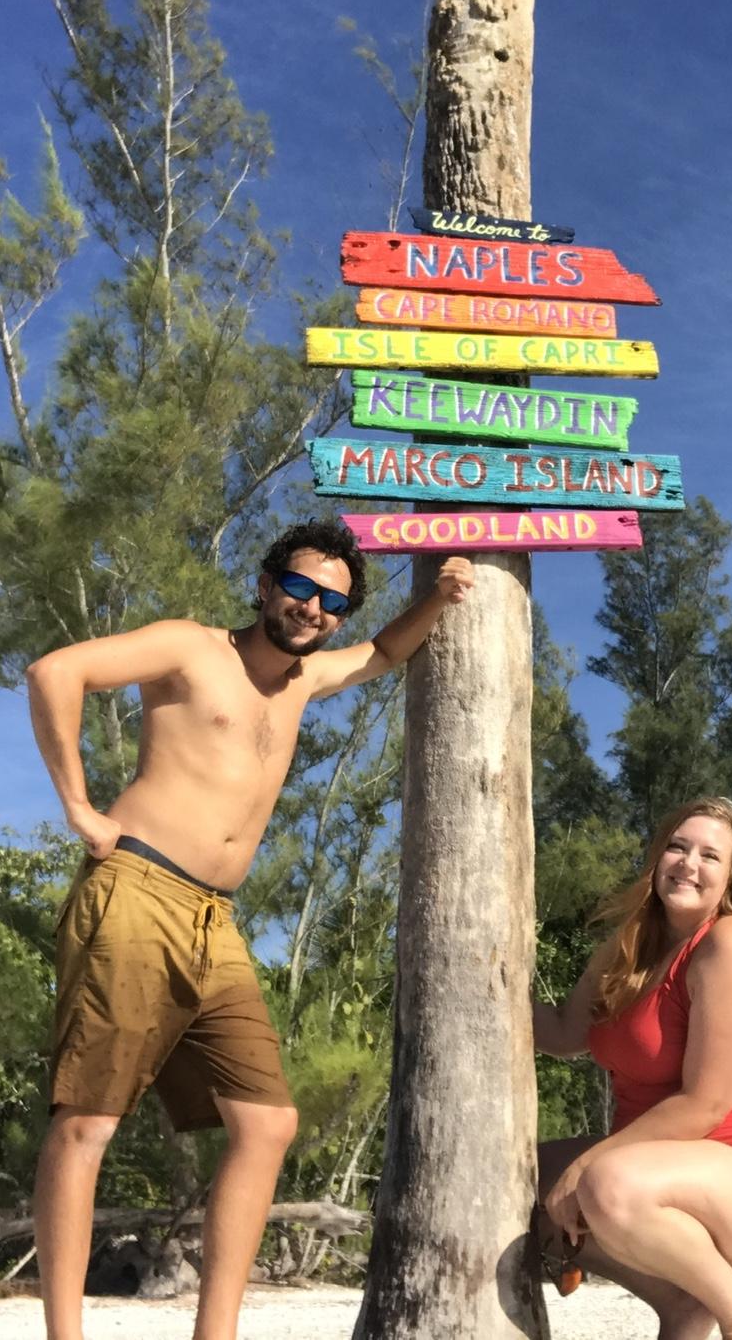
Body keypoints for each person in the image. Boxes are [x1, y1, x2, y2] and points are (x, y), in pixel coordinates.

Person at [25, 518, 474, 1340]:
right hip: (137, 890)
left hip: (213, 919)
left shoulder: (303, 679)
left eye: (331, 601)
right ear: (265, 587)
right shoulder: (191, 649)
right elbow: (57, 671)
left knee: (267, 1123)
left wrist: (438, 600)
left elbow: (380, 656)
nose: (312, 608)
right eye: (299, 588)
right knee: (88, 1118)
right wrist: (80, 809)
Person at [533, 796, 732, 1340]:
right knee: (517, 1177)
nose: (689, 863)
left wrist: (584, 1169)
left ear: (731, 877)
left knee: (607, 1185)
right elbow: (560, 1034)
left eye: (710, 856)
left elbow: (704, 1105)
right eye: (677, 846)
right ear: (656, 858)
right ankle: (682, 1306)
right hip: (651, 1169)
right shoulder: (625, 952)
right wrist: (473, 981)